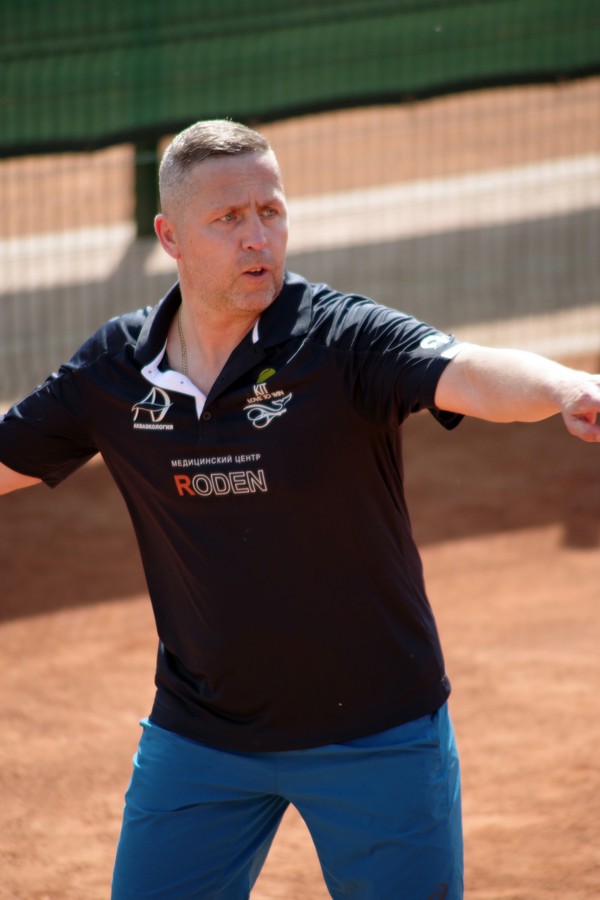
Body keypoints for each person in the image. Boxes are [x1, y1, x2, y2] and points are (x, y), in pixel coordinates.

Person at [1, 119, 599, 900]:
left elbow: (468, 370)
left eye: (271, 212)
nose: (257, 238)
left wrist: (566, 388)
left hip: (377, 734)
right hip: (202, 736)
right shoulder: (116, 370)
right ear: (170, 236)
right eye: (228, 218)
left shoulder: (341, 340)